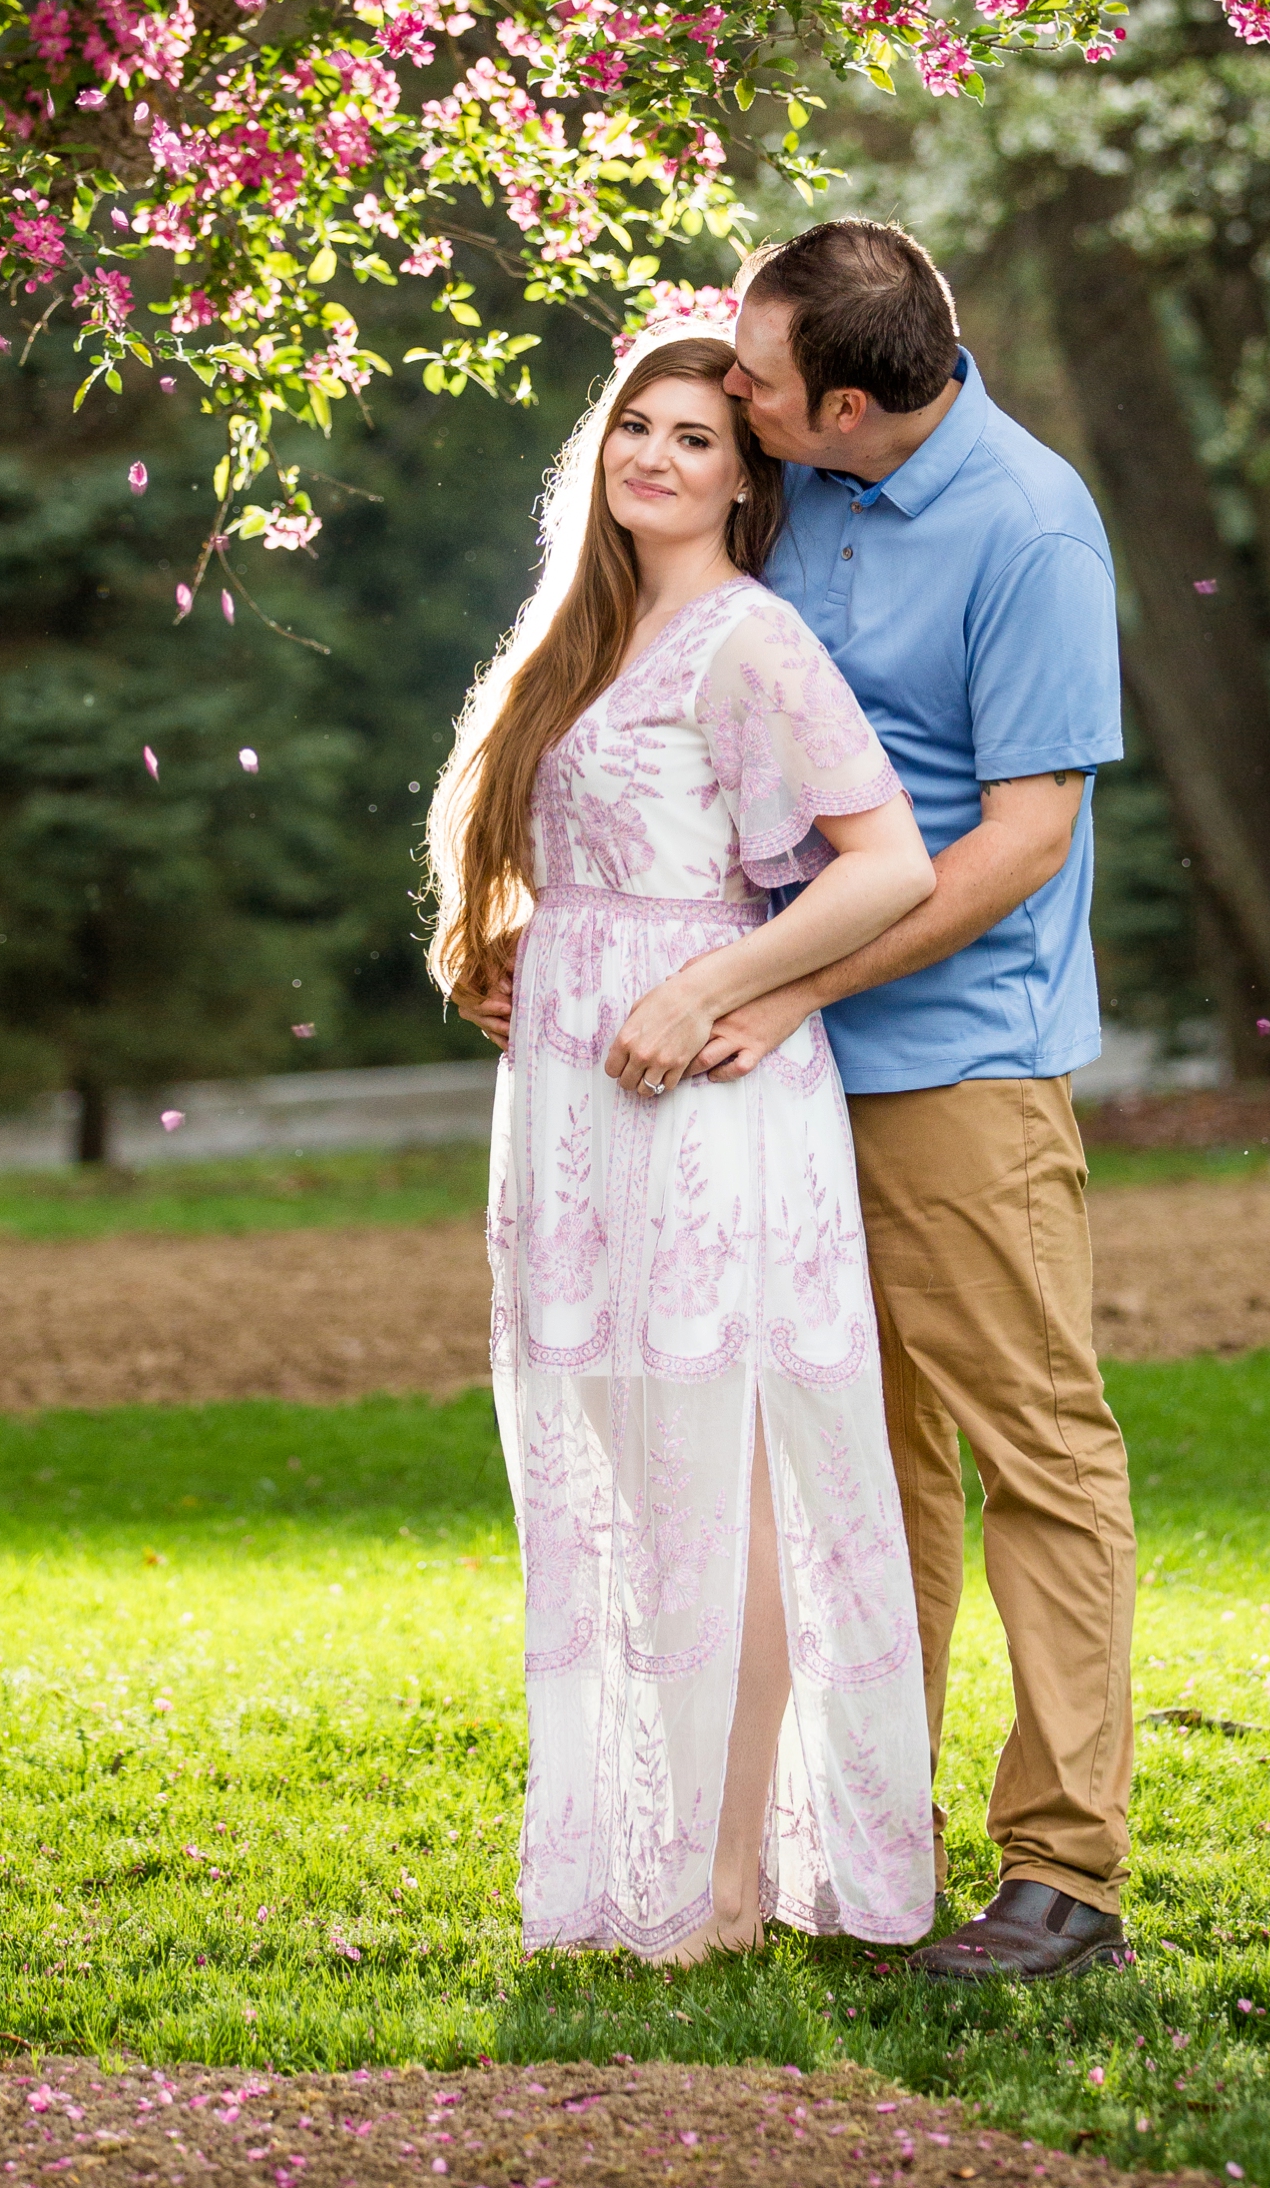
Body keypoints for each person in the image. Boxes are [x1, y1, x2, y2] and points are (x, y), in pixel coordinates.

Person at [428, 329, 939, 1965]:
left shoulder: (750, 639)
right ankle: (638, 1853)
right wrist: (507, 949)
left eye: (698, 436)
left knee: (725, 1486)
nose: (656, 454)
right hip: (574, 1114)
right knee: (624, 1485)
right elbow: (571, 855)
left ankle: (729, 1874)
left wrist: (706, 983)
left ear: (746, 473)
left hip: (704, 1098)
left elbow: (889, 869)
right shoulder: (581, 637)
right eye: (635, 426)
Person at [702, 217, 1137, 1986]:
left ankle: (1070, 1875)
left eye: (759, 377)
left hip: (954, 1064)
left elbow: (1025, 838)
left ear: (856, 402)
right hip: (782, 1070)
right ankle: (882, 1836)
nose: (733, 392)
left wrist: (798, 978)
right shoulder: (790, 481)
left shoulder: (1027, 526)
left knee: (1035, 1447)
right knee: (858, 1474)